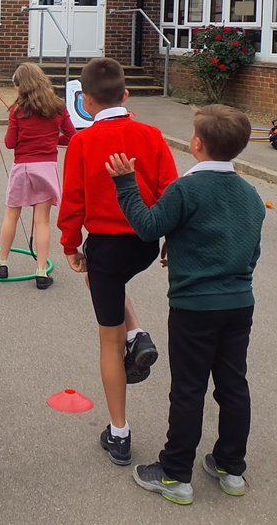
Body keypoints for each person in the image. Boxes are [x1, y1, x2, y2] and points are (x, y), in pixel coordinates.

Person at [105, 105, 265, 505]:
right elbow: (248, 250)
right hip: (238, 303)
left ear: (196, 144)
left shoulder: (186, 189)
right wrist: (180, 247)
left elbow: (148, 225)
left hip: (195, 306)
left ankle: (176, 474)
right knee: (233, 385)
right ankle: (231, 467)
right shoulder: (250, 195)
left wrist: (126, 183)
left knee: (189, 390)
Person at [58, 57, 179, 467]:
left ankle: (120, 431)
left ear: (84, 102)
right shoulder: (151, 134)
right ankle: (139, 333)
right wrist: (170, 238)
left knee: (107, 337)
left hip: (105, 246)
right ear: (126, 95)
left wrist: (70, 245)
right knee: (107, 279)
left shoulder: (82, 142)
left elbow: (72, 201)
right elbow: (171, 191)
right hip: (144, 241)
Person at [0, 62, 75, 289]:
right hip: (46, 168)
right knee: (42, 220)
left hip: (23, 168)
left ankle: (2, 264)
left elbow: (9, 143)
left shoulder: (17, 111)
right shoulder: (58, 107)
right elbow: (72, 136)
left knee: (11, 215)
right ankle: (41, 271)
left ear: (21, 86)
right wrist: (53, 140)